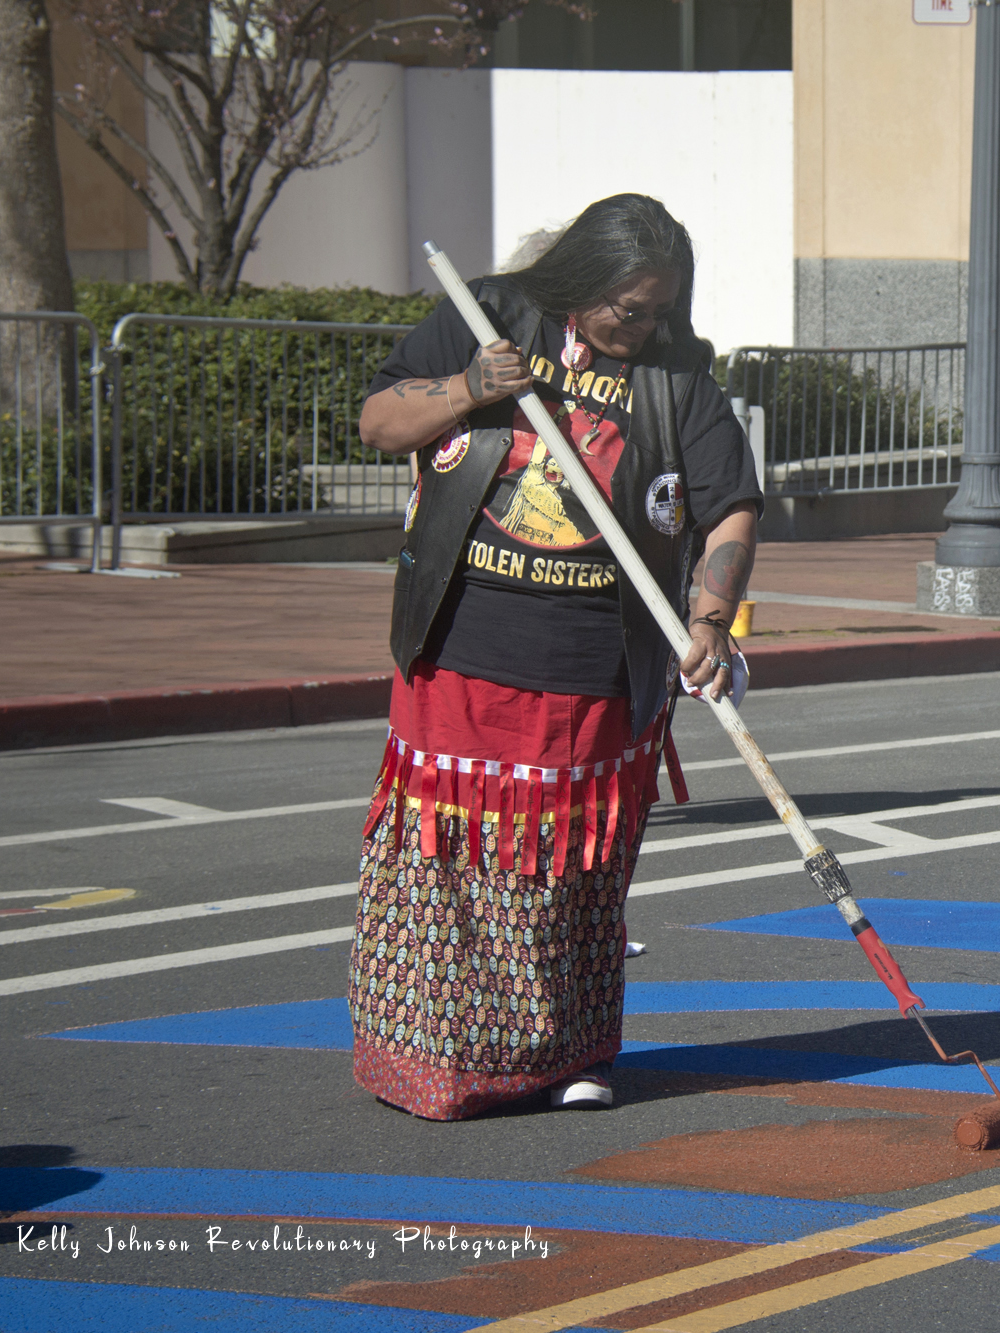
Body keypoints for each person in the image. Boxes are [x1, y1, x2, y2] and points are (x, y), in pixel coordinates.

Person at [350, 193, 762, 1120]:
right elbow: (379, 421)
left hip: (598, 662)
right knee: (451, 861)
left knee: (575, 868)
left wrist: (710, 619)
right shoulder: (489, 313)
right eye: (631, 308)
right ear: (582, 283)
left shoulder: (679, 375)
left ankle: (568, 1049)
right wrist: (466, 388)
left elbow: (729, 501)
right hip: (460, 643)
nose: (646, 326)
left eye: (662, 308)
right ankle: (446, 1058)